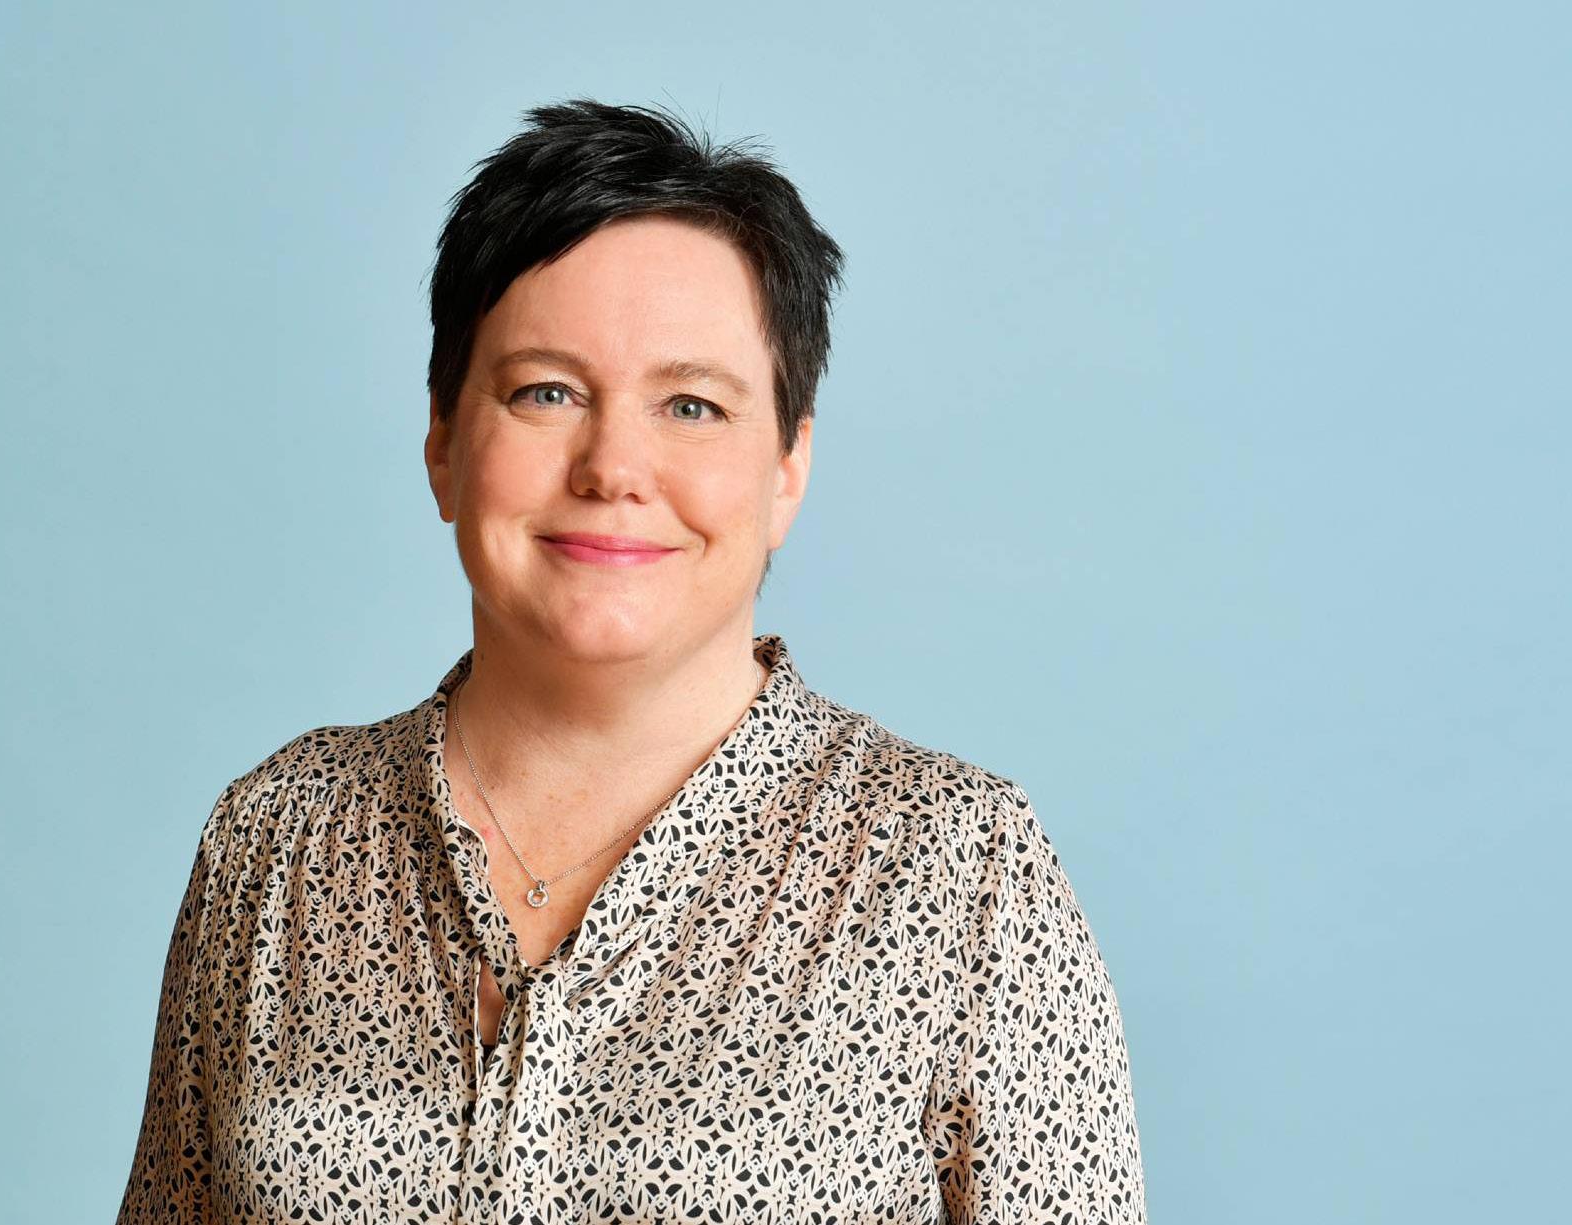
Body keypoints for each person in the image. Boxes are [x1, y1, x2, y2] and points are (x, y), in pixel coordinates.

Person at [116, 98, 1146, 1224]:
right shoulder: (277, 837)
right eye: (546, 391)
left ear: (788, 468)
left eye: (691, 405)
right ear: (444, 439)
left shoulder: (960, 867)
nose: (613, 467)